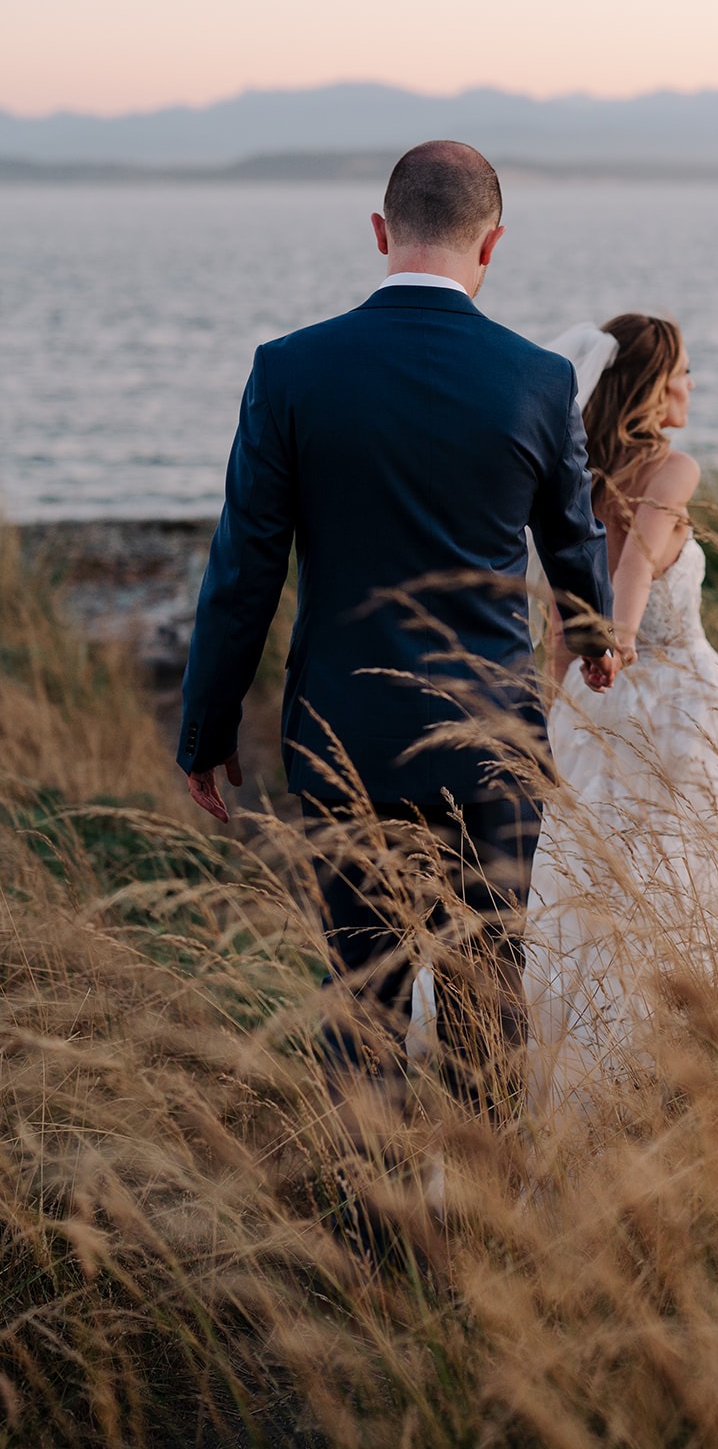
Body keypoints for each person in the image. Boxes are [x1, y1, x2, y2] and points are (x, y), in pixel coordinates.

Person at [177, 142, 619, 1219]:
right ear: (491, 245)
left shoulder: (290, 370)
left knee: (362, 991)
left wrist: (206, 728)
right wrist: (596, 635)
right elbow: (570, 545)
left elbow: (244, 568)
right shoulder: (537, 377)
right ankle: (478, 1231)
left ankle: (365, 1238)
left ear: (380, 232)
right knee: (483, 994)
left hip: (344, 736)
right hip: (489, 743)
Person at [525, 314, 718, 1122]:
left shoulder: (576, 483)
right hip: (678, 714)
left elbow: (558, 622)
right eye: (683, 371)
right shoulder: (673, 469)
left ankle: (577, 1055)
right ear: (651, 387)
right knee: (674, 887)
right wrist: (616, 640)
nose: (691, 385)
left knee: (586, 888)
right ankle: (648, 1070)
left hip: (589, 707)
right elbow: (638, 560)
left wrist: (557, 717)